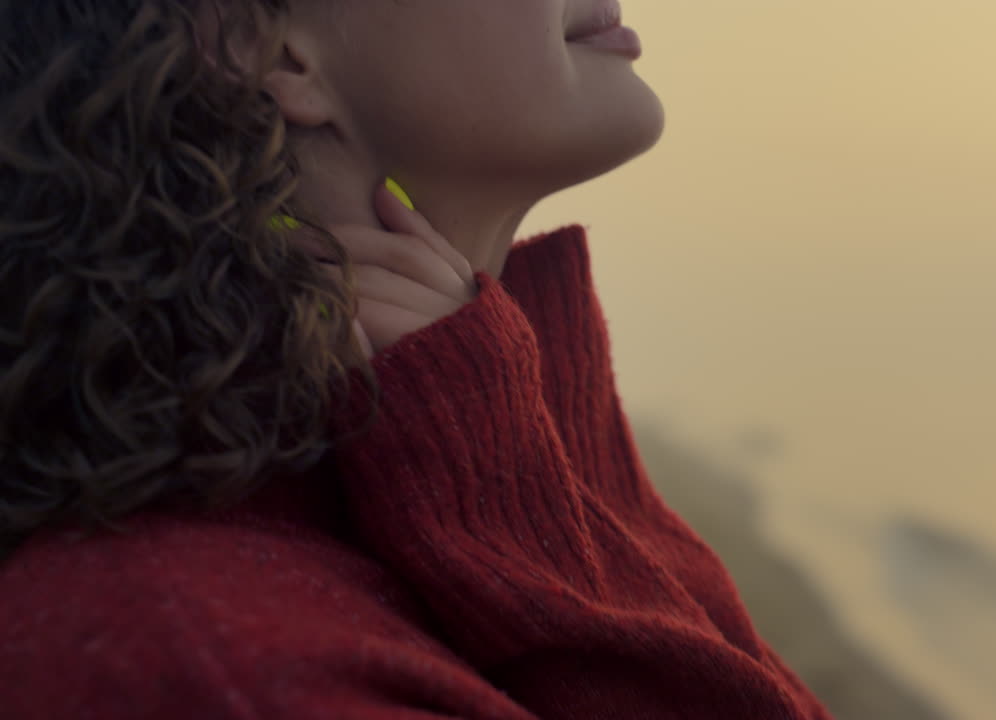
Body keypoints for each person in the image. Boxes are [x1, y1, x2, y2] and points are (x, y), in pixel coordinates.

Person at [0, 1, 835, 718]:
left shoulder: (298, 546)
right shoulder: (205, 657)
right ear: (268, 47)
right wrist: (505, 499)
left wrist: (506, 450)